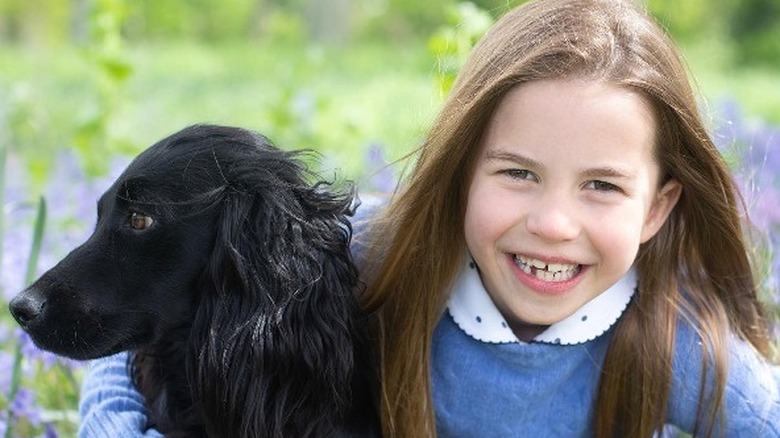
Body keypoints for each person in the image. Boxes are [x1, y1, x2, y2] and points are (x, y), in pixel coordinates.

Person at [79, 0, 780, 436]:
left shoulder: (674, 342)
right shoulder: (377, 256)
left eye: (601, 186)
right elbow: (143, 314)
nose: (554, 223)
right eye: (517, 173)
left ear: (657, 208)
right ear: (459, 173)